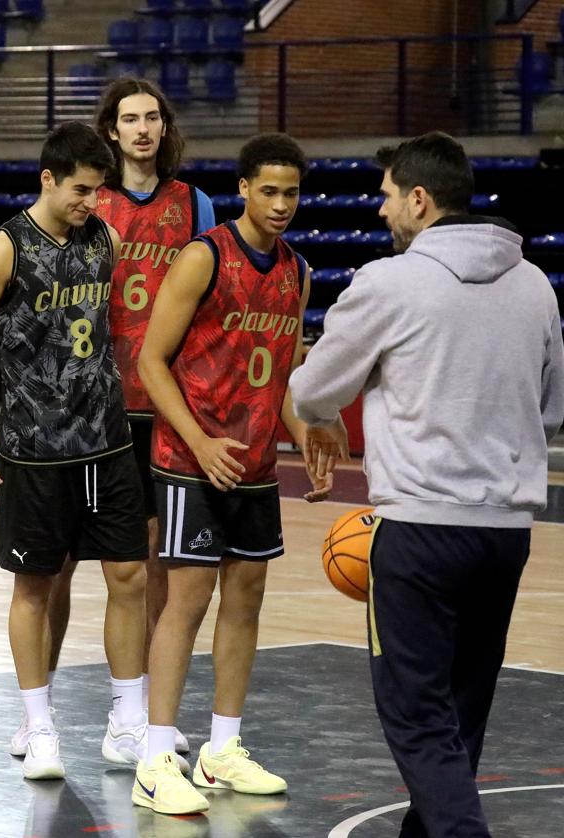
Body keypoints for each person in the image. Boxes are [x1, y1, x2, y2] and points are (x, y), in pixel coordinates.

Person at [291, 131, 564, 838]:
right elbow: (553, 407)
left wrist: (321, 416)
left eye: (386, 196)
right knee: (462, 708)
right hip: (505, 533)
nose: (381, 211)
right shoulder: (535, 282)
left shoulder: (391, 281)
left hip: (417, 529)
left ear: (419, 198)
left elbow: (315, 385)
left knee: (416, 716)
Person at [132, 133, 340, 815]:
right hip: (192, 461)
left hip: (252, 463)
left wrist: (302, 429)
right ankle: (157, 756)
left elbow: (278, 370)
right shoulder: (204, 256)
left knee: (245, 603)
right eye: (270, 191)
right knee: (184, 605)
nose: (282, 205)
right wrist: (199, 440)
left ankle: (223, 748)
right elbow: (151, 363)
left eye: (293, 193)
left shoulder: (297, 271)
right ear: (244, 188)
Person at [0, 121, 148, 780]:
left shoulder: (106, 239)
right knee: (35, 586)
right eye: (82, 190)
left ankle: (128, 722)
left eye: (98, 190)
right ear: (48, 179)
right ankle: (38, 724)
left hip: (105, 445)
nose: (92, 202)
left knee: (128, 576)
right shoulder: (5, 249)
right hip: (34, 451)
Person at [44, 77, 217, 760]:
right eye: (130, 119)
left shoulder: (196, 204)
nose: (143, 129)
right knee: (56, 562)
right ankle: (42, 710)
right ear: (111, 132)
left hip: (162, 405)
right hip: (89, 403)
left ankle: (141, 712)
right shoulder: (92, 200)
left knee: (150, 563)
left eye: (153, 116)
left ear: (164, 127)